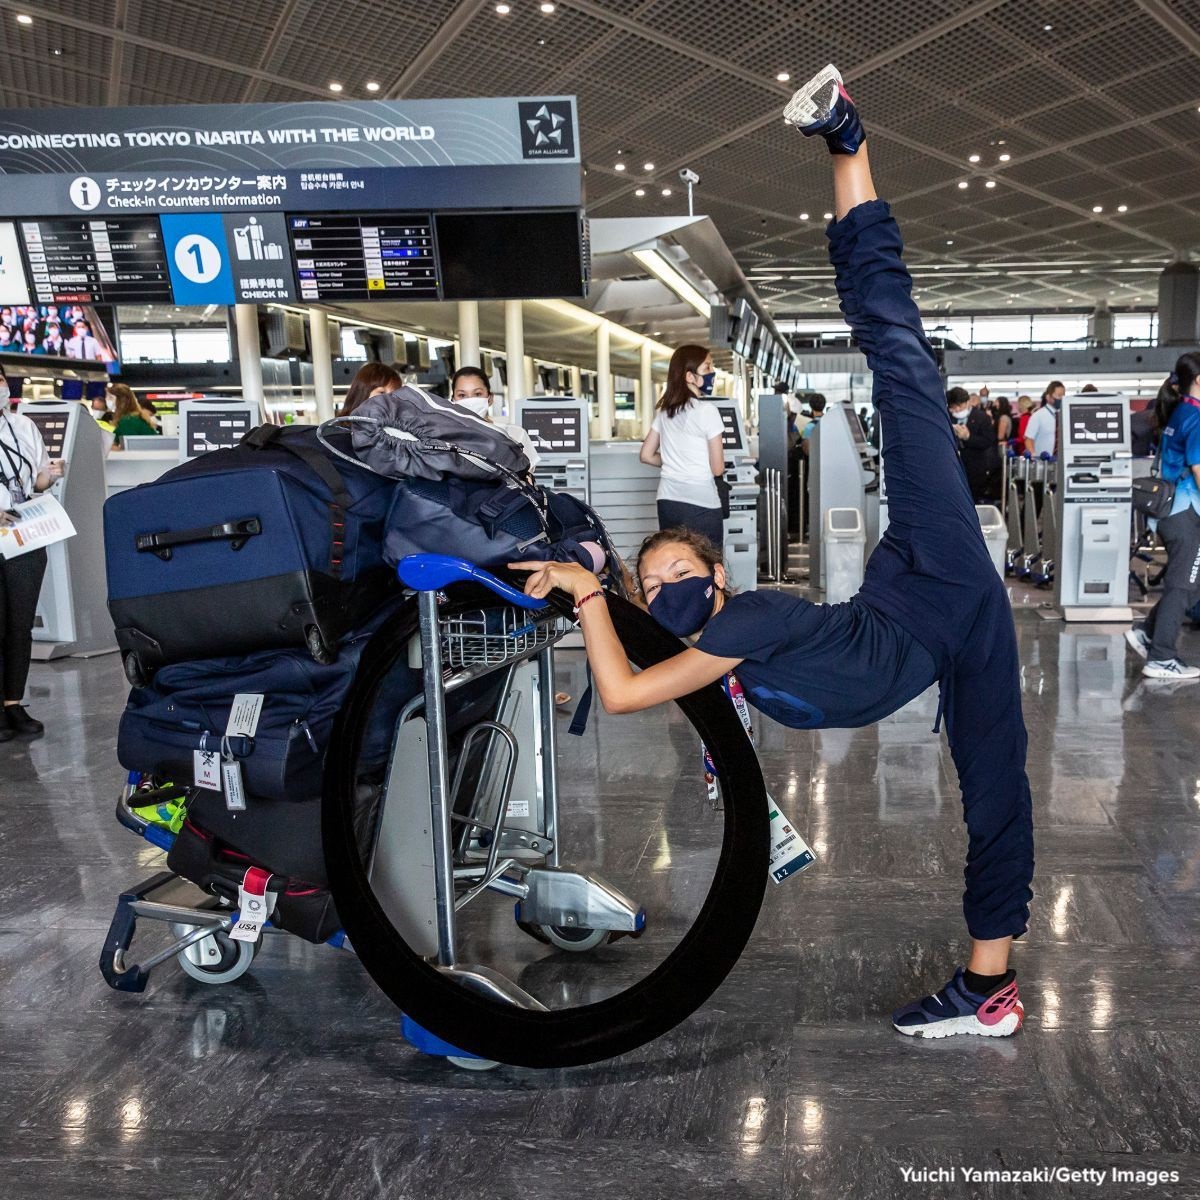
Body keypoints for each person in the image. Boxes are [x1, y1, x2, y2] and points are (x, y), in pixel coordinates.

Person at [513, 66, 1033, 1041]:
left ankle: (847, 139)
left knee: (897, 356)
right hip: (937, 625)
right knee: (997, 787)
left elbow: (623, 691)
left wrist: (588, 590)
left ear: (717, 575)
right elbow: (638, 668)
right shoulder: (729, 654)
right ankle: (988, 986)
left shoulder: (744, 624)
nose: (665, 590)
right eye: (650, 583)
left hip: (936, 563)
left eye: (679, 577)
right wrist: (585, 589)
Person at [1125, 353, 1200, 680]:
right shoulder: (1195, 417)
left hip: (1173, 511)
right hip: (1184, 511)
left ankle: (1147, 633)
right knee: (1183, 585)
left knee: (1191, 584)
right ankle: (1162, 657)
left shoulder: (1180, 411)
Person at [0, 364, 63, 739]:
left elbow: (35, 478)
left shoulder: (22, 426)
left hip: (23, 534)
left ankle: (13, 704)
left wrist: (51, 474)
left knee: (19, 625)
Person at [639, 345, 726, 550]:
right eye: (707, 368)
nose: (712, 373)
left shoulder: (665, 412)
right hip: (701, 503)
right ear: (689, 376)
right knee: (709, 568)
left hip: (668, 502)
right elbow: (717, 468)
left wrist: (673, 460)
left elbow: (646, 455)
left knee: (675, 566)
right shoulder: (708, 411)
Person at [449, 365, 540, 469]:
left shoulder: (514, 434)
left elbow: (527, 477)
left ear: (490, 398)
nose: (470, 400)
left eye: (477, 394)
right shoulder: (445, 438)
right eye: (462, 395)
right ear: (452, 401)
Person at [948, 386, 1000, 502]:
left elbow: (988, 441)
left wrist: (968, 437)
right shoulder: (948, 418)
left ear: (967, 402)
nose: (956, 410)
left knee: (972, 500)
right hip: (952, 467)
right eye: (952, 408)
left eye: (958, 407)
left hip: (974, 468)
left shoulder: (982, 418)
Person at [1024, 382, 1062, 458]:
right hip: (1042, 463)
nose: (1061, 398)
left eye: (1063, 395)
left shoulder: (1064, 415)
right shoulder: (1038, 416)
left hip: (1060, 462)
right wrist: (1033, 455)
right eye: (1058, 395)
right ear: (1048, 397)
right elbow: (1028, 439)